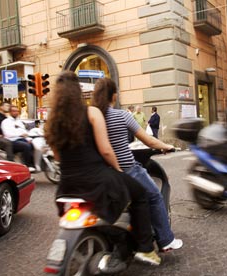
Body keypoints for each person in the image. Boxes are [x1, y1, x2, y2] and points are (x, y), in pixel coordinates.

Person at [44, 71, 161, 266]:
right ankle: (146, 249)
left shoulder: (51, 122)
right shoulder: (91, 112)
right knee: (140, 194)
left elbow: (57, 156)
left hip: (68, 183)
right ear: (78, 91)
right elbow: (106, 150)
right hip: (96, 178)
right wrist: (118, 171)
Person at [91, 78, 183, 252]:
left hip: (102, 173)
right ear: (114, 96)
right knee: (154, 196)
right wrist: (167, 146)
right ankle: (166, 239)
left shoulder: (93, 117)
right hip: (127, 169)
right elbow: (149, 140)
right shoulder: (122, 115)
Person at [1, 105, 35, 172]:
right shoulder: (5, 122)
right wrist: (20, 134)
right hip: (12, 141)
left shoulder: (19, 121)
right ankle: (28, 165)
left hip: (21, 139)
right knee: (26, 146)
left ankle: (34, 164)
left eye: (17, 111)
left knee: (33, 144)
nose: (16, 113)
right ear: (10, 112)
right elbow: (7, 134)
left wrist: (29, 139)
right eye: (14, 111)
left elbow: (24, 131)